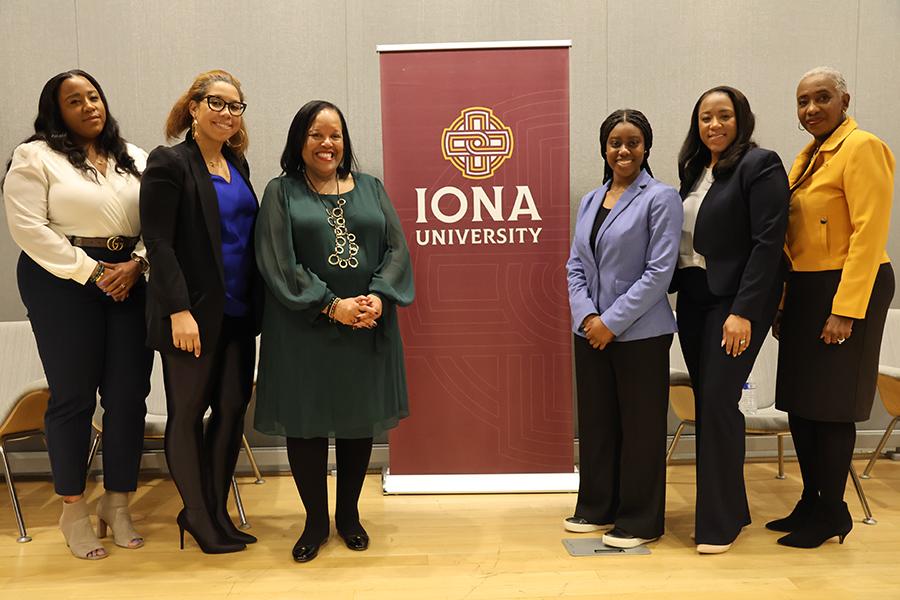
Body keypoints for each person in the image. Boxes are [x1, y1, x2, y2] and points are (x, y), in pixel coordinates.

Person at [254, 100, 414, 563]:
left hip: (367, 324)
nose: (327, 144)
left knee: (356, 420)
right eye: (316, 135)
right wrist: (331, 304)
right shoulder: (281, 192)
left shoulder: (371, 187)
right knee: (306, 425)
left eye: (336, 135)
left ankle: (348, 517)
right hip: (303, 327)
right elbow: (278, 262)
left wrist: (379, 298)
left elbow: (397, 249)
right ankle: (315, 522)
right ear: (299, 141)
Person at [3, 70, 151, 559]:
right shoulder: (35, 156)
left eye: (94, 96)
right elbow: (28, 228)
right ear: (56, 110)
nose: (89, 106)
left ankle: (118, 503)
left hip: (130, 278)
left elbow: (161, 219)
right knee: (73, 395)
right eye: (75, 100)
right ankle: (73, 509)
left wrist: (139, 263)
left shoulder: (135, 158)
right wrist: (91, 272)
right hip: (61, 282)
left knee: (129, 396)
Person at [768, 67, 895, 548]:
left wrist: (846, 309)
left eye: (822, 98)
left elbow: (869, 233)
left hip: (847, 283)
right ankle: (812, 500)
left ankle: (833, 510)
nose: (811, 108)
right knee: (801, 403)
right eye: (802, 101)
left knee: (832, 406)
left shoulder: (862, 147)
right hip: (806, 285)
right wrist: (783, 299)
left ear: (845, 100)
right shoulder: (810, 157)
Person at [140, 69, 260, 554]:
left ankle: (215, 511)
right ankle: (195, 514)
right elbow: (159, 243)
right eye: (216, 102)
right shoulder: (169, 162)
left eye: (235, 106)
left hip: (238, 312)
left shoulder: (238, 165)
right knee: (188, 414)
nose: (227, 113)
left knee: (232, 410)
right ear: (193, 107)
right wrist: (178, 310)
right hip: (191, 316)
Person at [672, 86, 789, 554]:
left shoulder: (760, 165)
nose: (714, 125)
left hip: (735, 304)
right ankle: (733, 508)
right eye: (705, 117)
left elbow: (768, 243)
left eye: (724, 115)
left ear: (741, 119)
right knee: (711, 404)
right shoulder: (693, 169)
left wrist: (743, 311)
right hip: (695, 299)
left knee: (719, 402)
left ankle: (718, 524)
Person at [565, 109, 682, 548]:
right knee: (597, 424)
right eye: (615, 142)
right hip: (590, 331)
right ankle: (597, 507)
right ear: (604, 148)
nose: (623, 150)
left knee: (640, 429)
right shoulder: (591, 200)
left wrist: (610, 322)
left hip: (640, 335)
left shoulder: (660, 197)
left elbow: (659, 273)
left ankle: (639, 520)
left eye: (633, 142)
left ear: (646, 147)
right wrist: (588, 318)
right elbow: (575, 264)